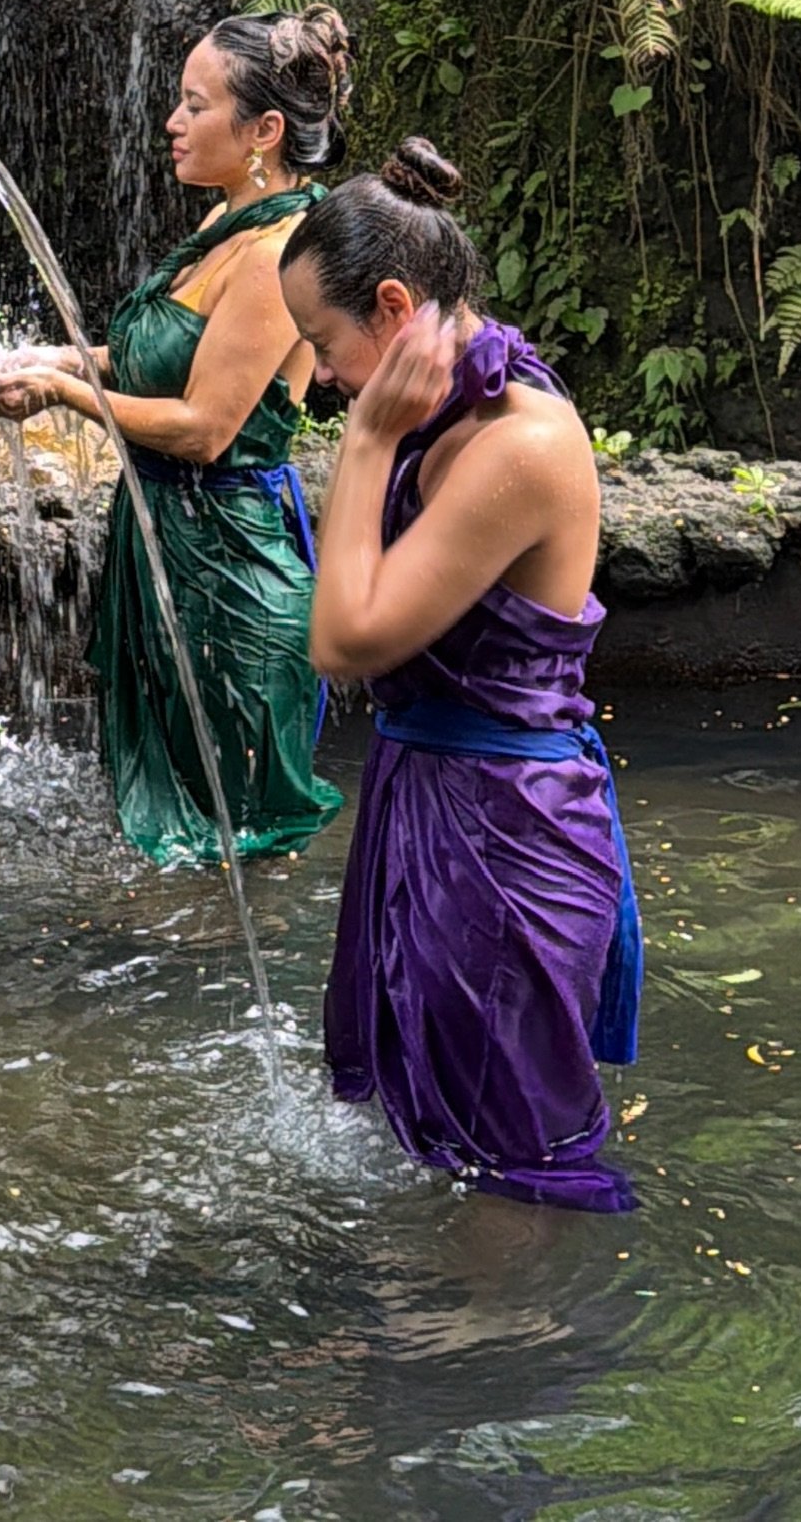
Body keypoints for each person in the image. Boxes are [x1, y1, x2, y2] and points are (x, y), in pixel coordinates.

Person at [278, 139, 642, 1212]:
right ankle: (428, 1343)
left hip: (506, 837)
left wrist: (365, 443)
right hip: (431, 805)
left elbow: (345, 640)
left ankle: (497, 1365)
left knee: (502, 1164)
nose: (317, 379)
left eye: (322, 345)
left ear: (393, 307)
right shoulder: (436, 417)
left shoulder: (517, 446)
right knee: (420, 1132)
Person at [0, 9, 349, 866]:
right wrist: (57, 356)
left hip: (228, 577)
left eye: (195, 106)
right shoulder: (227, 222)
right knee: (180, 846)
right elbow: (157, 361)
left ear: (264, 132)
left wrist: (64, 391)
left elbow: (206, 428)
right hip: (172, 550)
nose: (172, 122)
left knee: (234, 842)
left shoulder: (276, 253)